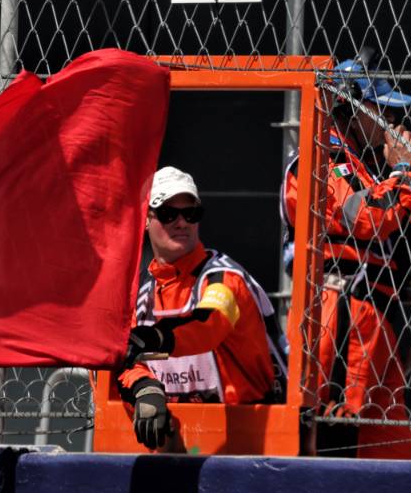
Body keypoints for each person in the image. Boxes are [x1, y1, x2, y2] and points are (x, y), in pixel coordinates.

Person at [280, 58, 411, 459]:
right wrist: (404, 170)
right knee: (335, 433)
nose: (393, 120)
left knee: (387, 445)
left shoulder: (363, 165)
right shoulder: (322, 158)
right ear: (350, 109)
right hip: (337, 314)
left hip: (372, 317)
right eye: (384, 110)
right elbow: (366, 219)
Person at [118, 166, 286, 451]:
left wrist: (155, 338)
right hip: (181, 448)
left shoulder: (224, 278)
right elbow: (125, 357)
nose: (182, 222)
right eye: (169, 213)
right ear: (146, 219)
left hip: (252, 443)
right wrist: (145, 389)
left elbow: (208, 324)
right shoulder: (143, 295)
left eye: (191, 213)